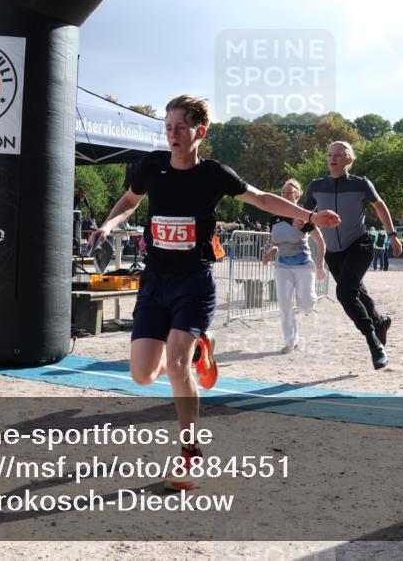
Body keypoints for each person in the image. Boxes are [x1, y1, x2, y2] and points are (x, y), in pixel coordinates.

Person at [87, 95, 339, 491]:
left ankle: (190, 454)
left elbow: (260, 198)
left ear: (199, 132)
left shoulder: (214, 174)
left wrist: (307, 216)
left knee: (176, 365)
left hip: (193, 283)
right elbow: (130, 200)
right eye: (168, 127)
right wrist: (108, 223)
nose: (172, 134)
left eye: (180, 128)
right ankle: (202, 347)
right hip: (155, 283)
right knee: (141, 375)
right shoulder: (151, 166)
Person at [301, 141, 402, 370]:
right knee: (356, 291)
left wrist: (392, 235)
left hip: (359, 244)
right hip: (333, 253)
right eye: (329, 154)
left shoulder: (361, 184)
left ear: (350, 160)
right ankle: (380, 322)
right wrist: (303, 224)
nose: (332, 158)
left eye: (339, 154)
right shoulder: (316, 185)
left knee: (345, 293)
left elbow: (379, 206)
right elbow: (308, 217)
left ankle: (374, 343)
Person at [261, 179, 328, 354]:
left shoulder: (304, 217)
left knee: (306, 305)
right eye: (282, 192)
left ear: (297, 195)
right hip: (282, 265)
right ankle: (291, 342)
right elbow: (275, 242)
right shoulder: (274, 217)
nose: (284, 195)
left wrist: (320, 266)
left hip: (303, 265)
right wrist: (270, 252)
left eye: (289, 192)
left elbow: (320, 242)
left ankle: (305, 303)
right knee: (284, 304)